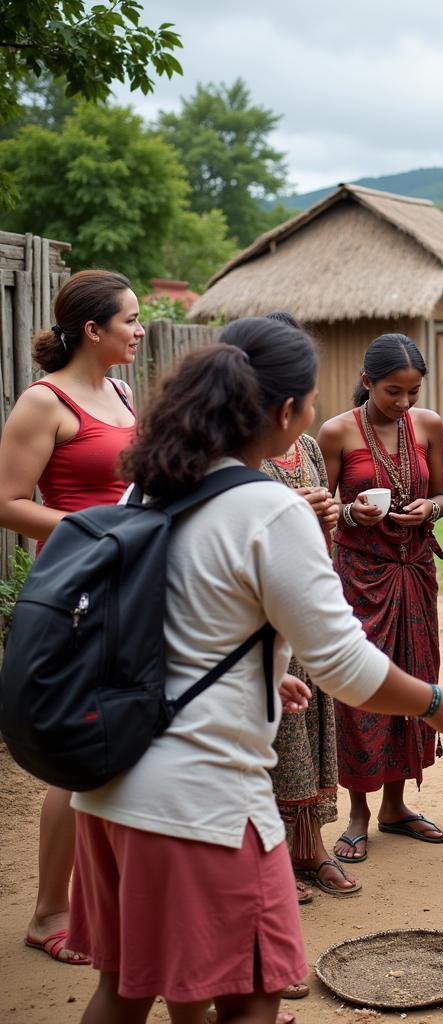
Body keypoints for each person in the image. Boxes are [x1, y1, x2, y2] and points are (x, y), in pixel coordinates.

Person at [66, 317, 443, 1024]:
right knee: (251, 998)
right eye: (311, 400)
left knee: (128, 990)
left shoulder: (149, 488)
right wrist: (433, 700)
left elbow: (184, 623)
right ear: (286, 412)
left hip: (109, 785)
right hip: (202, 799)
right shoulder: (267, 507)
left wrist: (262, 669)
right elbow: (345, 664)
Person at [0, 270, 142, 968]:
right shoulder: (41, 401)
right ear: (94, 330)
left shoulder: (119, 393)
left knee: (126, 740)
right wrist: (98, 535)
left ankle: (104, 899)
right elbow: (7, 501)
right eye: (130, 320)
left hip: (131, 590)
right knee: (77, 757)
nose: (140, 330)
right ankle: (48, 911)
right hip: (77, 597)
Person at [318, 334, 443, 863]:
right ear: (367, 381)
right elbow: (322, 510)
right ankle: (358, 812)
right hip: (359, 577)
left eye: (413, 392)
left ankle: (396, 807)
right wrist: (353, 513)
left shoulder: (430, 425)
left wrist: (430, 510)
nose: (404, 403)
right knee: (360, 687)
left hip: (413, 572)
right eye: (393, 391)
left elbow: (442, 495)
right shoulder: (336, 432)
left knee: (412, 682)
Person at [257, 312, 350, 926]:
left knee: (312, 720)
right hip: (264, 610)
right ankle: (275, 862)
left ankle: (311, 847)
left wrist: (329, 512)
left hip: (307, 599)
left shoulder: (310, 448)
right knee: (278, 731)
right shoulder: (235, 455)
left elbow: (323, 525)